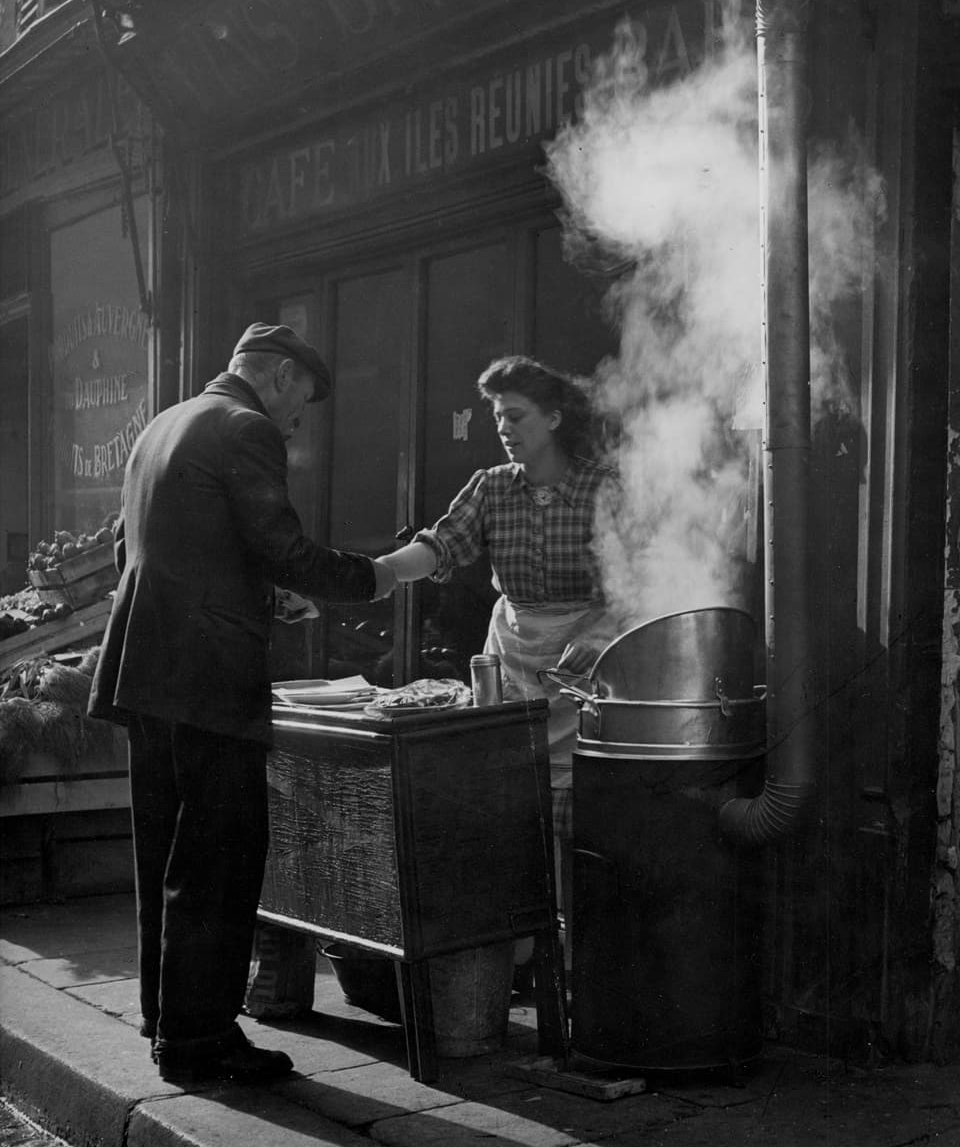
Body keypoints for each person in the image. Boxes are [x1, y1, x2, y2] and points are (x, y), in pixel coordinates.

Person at [87, 322, 395, 1085]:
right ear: (282, 377)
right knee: (220, 858)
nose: (298, 421)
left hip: (147, 669)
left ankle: (167, 1018)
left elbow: (146, 551)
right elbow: (284, 547)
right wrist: (381, 575)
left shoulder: (165, 422)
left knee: (164, 850)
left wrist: (256, 597)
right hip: (207, 678)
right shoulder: (246, 426)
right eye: (304, 403)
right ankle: (202, 1041)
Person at [375, 354, 618, 965]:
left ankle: (570, 956)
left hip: (584, 658)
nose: (504, 427)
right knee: (507, 797)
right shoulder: (490, 486)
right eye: (497, 417)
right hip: (510, 651)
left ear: (554, 418)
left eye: (517, 415)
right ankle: (510, 948)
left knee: (571, 807)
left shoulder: (600, 487)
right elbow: (439, 547)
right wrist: (378, 573)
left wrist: (601, 633)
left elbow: (636, 578)